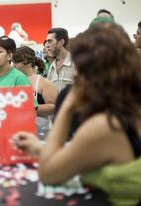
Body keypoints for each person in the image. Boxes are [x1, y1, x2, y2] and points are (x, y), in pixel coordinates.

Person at [13, 24, 141, 205]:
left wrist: (65, 106)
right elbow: (83, 157)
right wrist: (39, 149)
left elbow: (49, 173)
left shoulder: (105, 125)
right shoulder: (129, 108)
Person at [13, 46, 58, 118]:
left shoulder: (43, 83)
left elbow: (53, 106)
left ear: (27, 62)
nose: (13, 66)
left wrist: (31, 108)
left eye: (16, 62)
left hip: (40, 127)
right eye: (12, 62)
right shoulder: (13, 80)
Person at [45, 28, 76, 92]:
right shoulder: (52, 67)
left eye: (50, 41)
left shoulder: (76, 63)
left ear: (61, 42)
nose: (47, 45)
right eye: (46, 41)